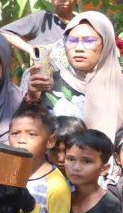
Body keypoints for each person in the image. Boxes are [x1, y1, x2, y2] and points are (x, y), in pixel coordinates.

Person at [26, 11, 123, 141]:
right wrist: (32, 98)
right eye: (72, 40)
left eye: (89, 40)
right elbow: (28, 133)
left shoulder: (119, 87)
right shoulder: (50, 83)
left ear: (106, 44)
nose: (79, 48)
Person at [9, 105, 70, 213]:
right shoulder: (6, 175)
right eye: (15, 133)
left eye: (31, 134)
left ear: (50, 141)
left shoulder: (56, 185)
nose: (21, 140)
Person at [0, 0, 81, 59]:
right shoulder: (42, 19)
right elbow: (5, 32)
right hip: (44, 71)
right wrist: (31, 50)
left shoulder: (83, 23)